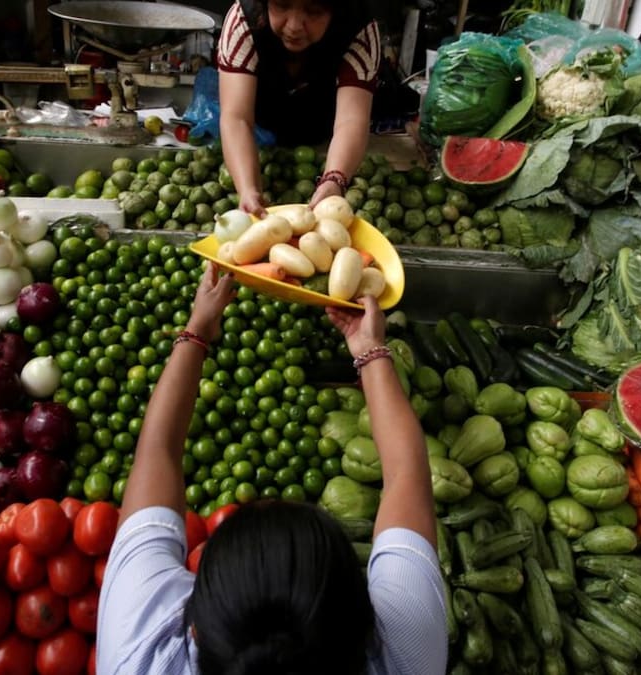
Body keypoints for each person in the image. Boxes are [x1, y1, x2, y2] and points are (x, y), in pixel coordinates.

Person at [96, 263, 447, 675]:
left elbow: (155, 451)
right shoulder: (408, 648)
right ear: (369, 623)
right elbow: (407, 472)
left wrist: (197, 329)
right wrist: (368, 348)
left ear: (193, 631)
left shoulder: (136, 655)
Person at [215, 0, 381, 214]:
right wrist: (247, 189)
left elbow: (351, 120)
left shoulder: (359, 28)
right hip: (261, 130)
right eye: (282, 5)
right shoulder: (243, 19)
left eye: (313, 11)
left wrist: (334, 179)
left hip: (326, 129)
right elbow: (236, 117)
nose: (294, 26)